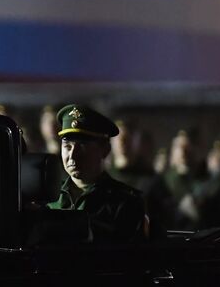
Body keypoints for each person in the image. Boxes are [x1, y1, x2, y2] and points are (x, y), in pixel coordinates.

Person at [49, 104, 148, 243]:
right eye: (67, 146)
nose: (72, 155)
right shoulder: (49, 196)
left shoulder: (125, 202)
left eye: (82, 146)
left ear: (105, 150)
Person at [109, 118, 173, 232]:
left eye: (127, 138)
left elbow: (166, 214)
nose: (122, 142)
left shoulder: (151, 178)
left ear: (136, 141)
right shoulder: (105, 176)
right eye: (118, 138)